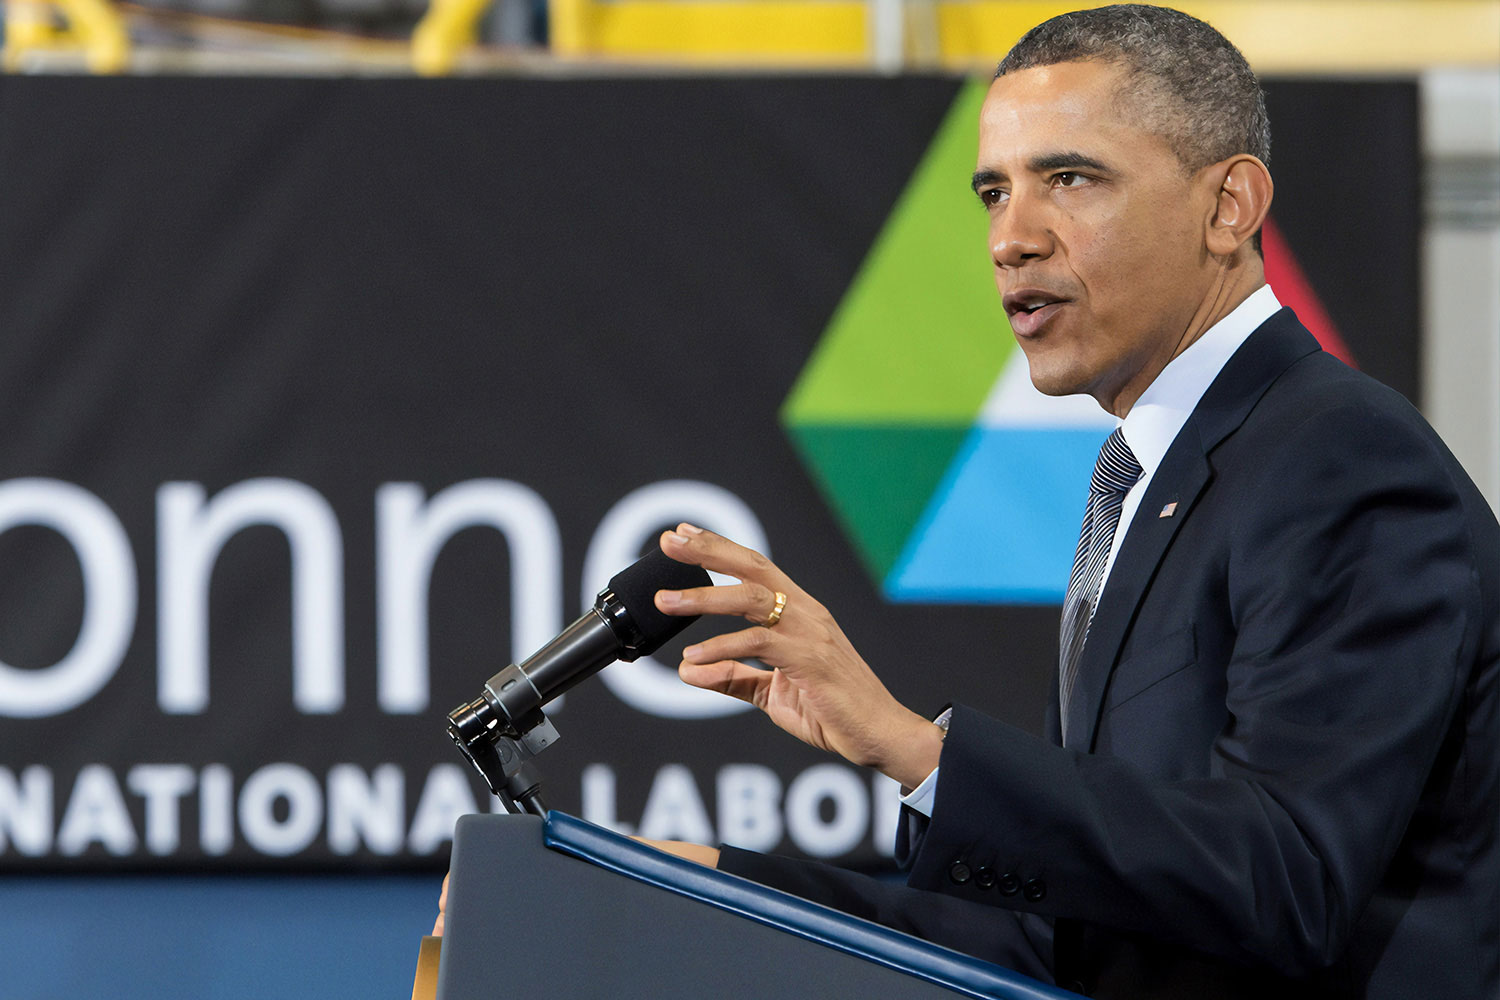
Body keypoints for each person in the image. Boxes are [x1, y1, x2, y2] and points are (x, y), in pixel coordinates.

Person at [438, 6, 1500, 997]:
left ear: (1229, 207)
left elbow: (1289, 883)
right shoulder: (1159, 477)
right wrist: (703, 884)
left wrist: (916, 750)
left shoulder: (1339, 460)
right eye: (994, 192)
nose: (1011, 237)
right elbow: (1067, 941)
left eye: (1070, 179)